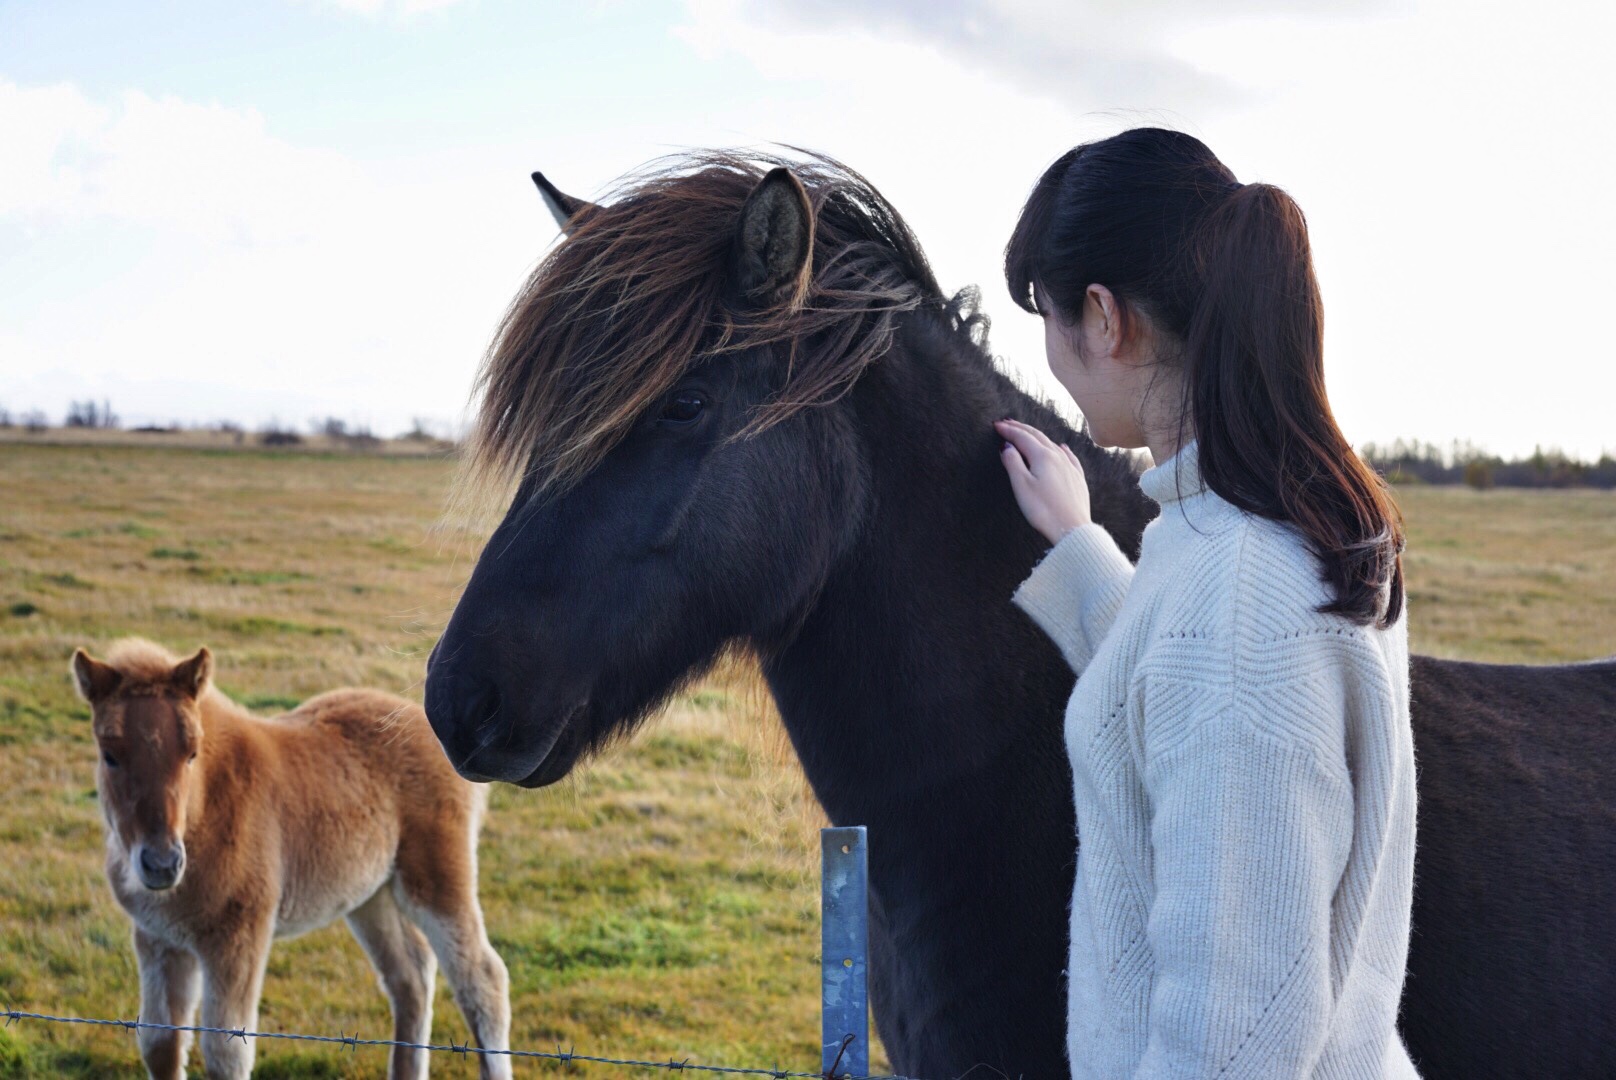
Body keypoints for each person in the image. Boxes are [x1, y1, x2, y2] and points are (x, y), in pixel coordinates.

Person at [994, 128, 1418, 1079]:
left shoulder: (1239, 599)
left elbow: (1229, 1048)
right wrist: (1080, 549)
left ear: (1104, 317)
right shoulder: (1274, 528)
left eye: (1050, 318)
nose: (1053, 360)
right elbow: (1181, 695)